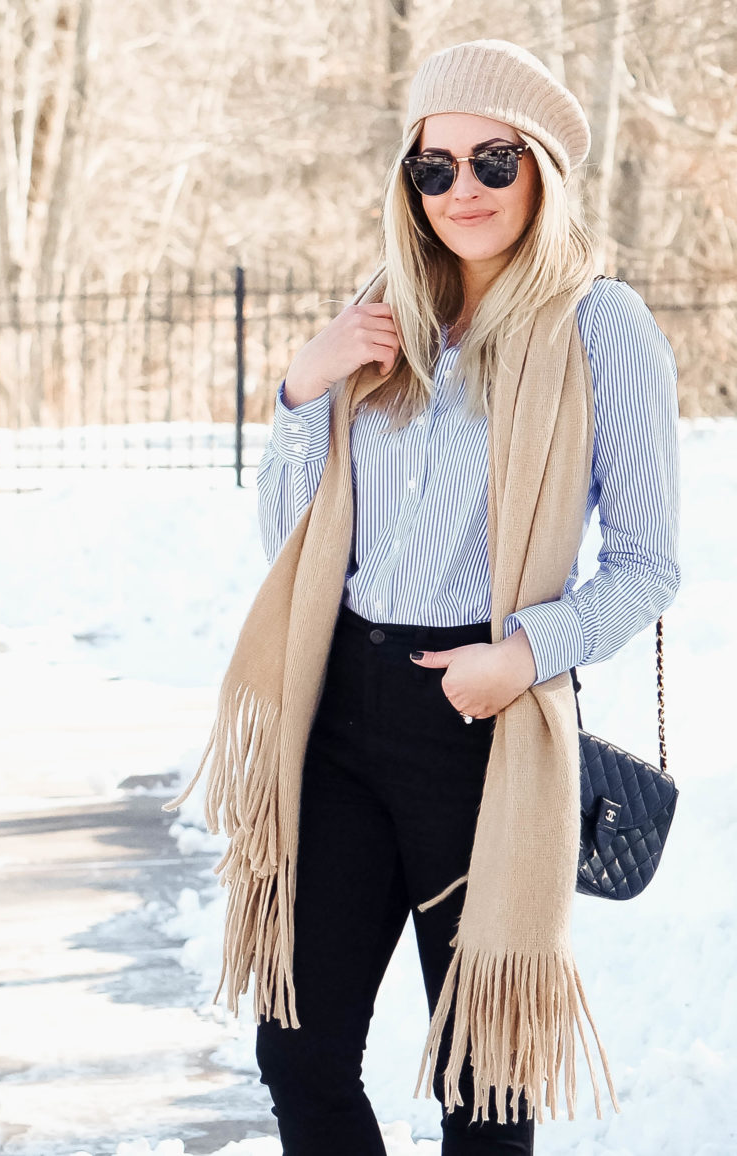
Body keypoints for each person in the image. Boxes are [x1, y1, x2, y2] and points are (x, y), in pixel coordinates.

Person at [165, 38, 681, 1156]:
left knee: (483, 1083)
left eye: (493, 160)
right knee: (297, 1053)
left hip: (485, 729)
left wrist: (523, 655)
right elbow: (292, 543)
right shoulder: (381, 315)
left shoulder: (603, 329)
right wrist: (306, 385)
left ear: (541, 166)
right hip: (340, 712)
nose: (464, 191)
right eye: (433, 167)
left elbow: (648, 562)